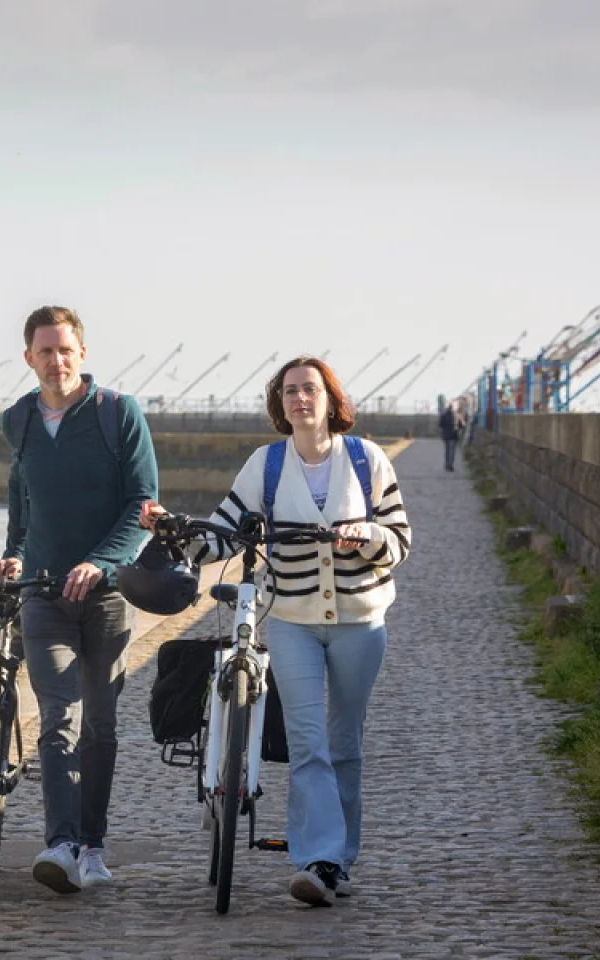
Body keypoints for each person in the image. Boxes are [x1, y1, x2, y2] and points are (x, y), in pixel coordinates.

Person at [141, 355, 411, 906]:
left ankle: (343, 857)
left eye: (310, 389)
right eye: (289, 391)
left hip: (361, 623)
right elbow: (222, 535)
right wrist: (176, 530)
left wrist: (368, 537)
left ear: (331, 400)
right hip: (290, 621)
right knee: (309, 742)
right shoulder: (265, 466)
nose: (300, 399)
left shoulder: (366, 460)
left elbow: (400, 538)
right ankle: (319, 862)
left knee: (345, 745)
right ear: (279, 404)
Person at [0, 305, 159, 893]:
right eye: (45, 351)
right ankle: (60, 845)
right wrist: (13, 551)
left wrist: (101, 561)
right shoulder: (19, 420)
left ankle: (93, 844)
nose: (56, 360)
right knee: (57, 720)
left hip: (109, 597)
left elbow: (143, 505)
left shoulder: (119, 414)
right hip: (43, 595)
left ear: (82, 354)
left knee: (101, 727)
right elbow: (22, 496)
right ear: (29, 358)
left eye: (65, 350)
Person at [438, 399, 462, 472]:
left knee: (447, 451)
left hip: (446, 435)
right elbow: (461, 425)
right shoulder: (457, 415)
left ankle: (447, 465)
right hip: (454, 435)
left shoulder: (444, 415)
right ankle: (450, 466)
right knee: (452, 451)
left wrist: (445, 428)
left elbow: (440, 424)